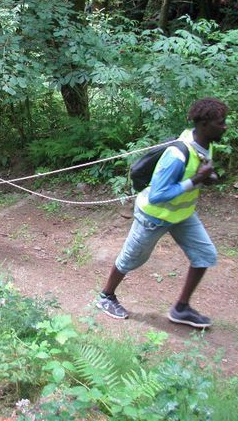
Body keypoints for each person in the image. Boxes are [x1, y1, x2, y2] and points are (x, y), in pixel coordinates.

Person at [95, 97, 229, 329]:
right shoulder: (177, 155)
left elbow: (197, 174)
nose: (225, 126)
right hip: (153, 217)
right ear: (204, 124)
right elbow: (158, 194)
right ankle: (106, 296)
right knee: (131, 259)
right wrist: (197, 179)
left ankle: (181, 308)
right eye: (221, 122)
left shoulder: (206, 143)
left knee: (205, 254)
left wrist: (208, 178)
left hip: (182, 215)